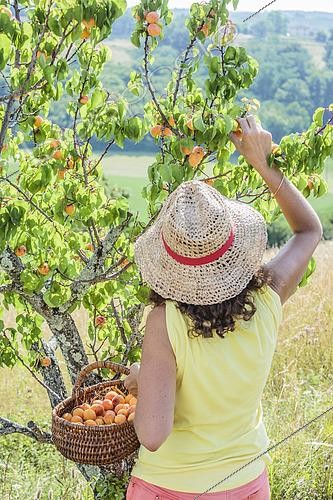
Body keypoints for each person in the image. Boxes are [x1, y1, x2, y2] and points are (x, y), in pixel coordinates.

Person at [124, 116, 323, 500]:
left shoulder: (166, 322)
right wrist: (263, 164)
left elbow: (152, 434)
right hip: (247, 483)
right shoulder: (268, 297)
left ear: (170, 262)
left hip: (168, 487)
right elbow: (309, 230)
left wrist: (141, 378)